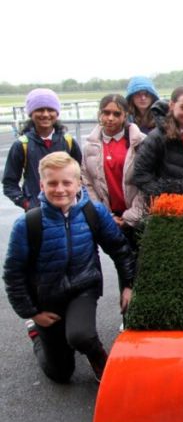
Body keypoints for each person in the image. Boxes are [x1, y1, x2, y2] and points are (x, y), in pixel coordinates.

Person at [3, 152, 136, 382]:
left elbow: (120, 250)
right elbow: (13, 274)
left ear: (78, 183)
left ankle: (99, 360)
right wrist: (32, 313)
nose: (60, 189)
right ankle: (36, 334)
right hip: (47, 299)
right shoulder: (27, 223)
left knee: (80, 335)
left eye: (67, 182)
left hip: (83, 288)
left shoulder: (93, 212)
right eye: (52, 183)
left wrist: (128, 286)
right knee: (60, 373)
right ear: (42, 185)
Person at [81, 95, 147, 248]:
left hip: (137, 217)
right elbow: (87, 183)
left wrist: (131, 216)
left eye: (117, 114)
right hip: (109, 219)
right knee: (122, 263)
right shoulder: (89, 147)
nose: (110, 118)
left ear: (125, 115)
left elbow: (147, 181)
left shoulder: (140, 142)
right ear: (100, 114)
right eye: (106, 112)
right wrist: (106, 215)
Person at [4, 88, 82, 211]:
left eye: (50, 110)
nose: (45, 114)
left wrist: (77, 197)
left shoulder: (68, 142)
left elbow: (81, 176)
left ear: (57, 113)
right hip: (38, 213)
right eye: (40, 110)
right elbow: (9, 184)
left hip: (69, 211)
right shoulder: (21, 145)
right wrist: (27, 204)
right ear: (31, 113)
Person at [132, 86, 183, 194]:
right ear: (171, 105)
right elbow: (141, 175)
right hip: (167, 201)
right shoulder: (156, 137)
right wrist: (164, 195)